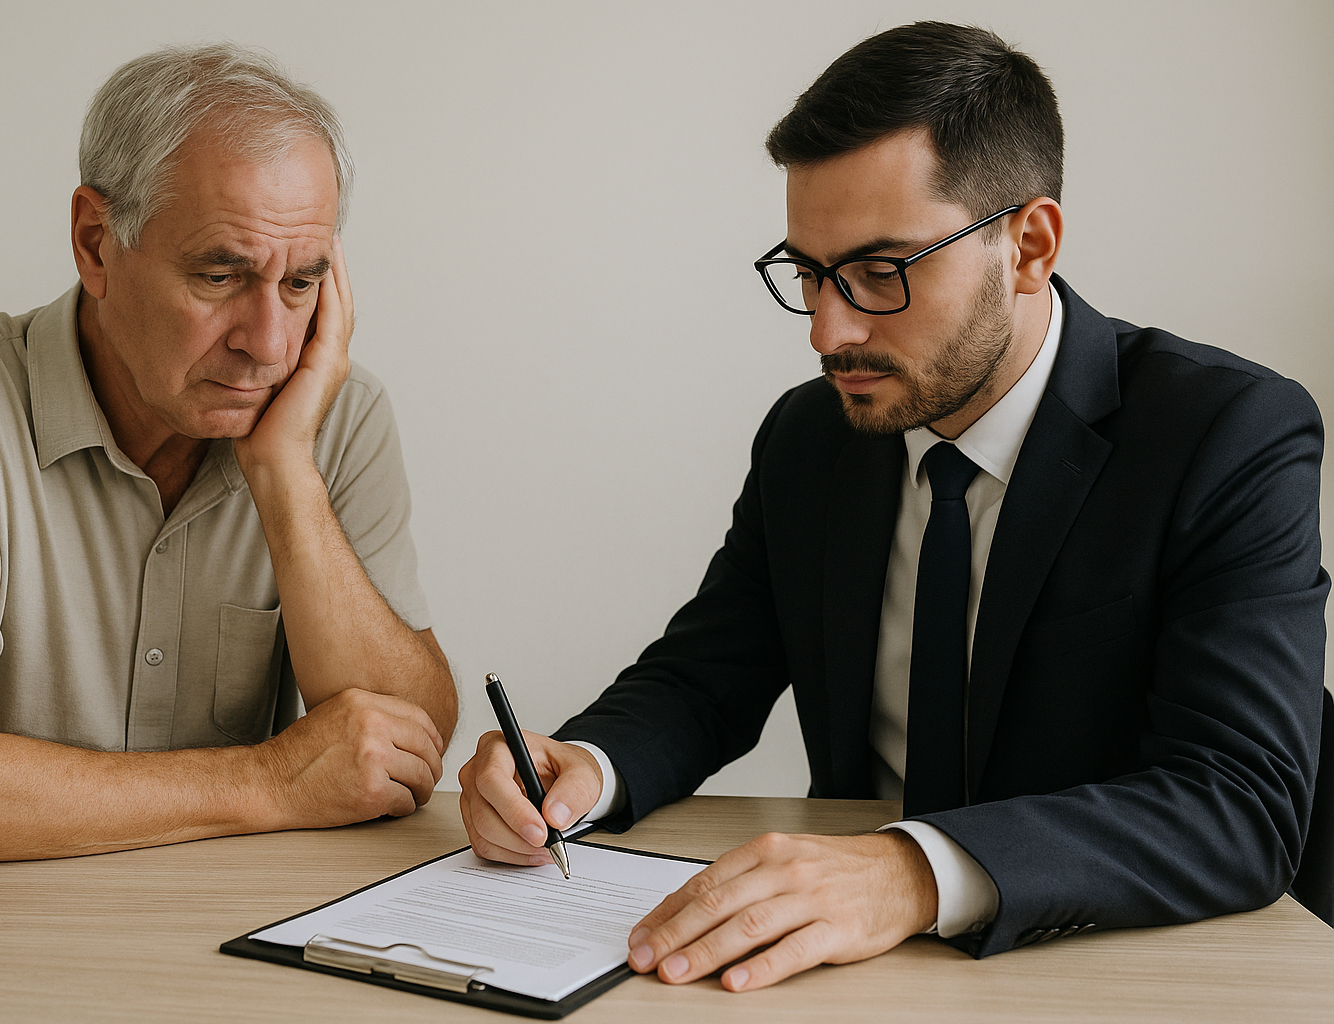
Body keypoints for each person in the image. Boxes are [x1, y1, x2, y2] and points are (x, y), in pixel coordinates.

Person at [458, 21, 1327, 991]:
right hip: (846, 974)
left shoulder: (1225, 433)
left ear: (1028, 245)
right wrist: (583, 764)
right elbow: (705, 679)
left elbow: (1240, 802)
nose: (830, 329)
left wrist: (912, 870)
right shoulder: (813, 436)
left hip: (1116, 971)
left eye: (882, 272)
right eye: (810, 272)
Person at [0, 43, 457, 867]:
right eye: (222, 275)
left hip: (203, 938)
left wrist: (286, 472)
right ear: (95, 244)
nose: (268, 345)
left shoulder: (335, 412)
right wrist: (270, 781)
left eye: (301, 283)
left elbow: (405, 748)